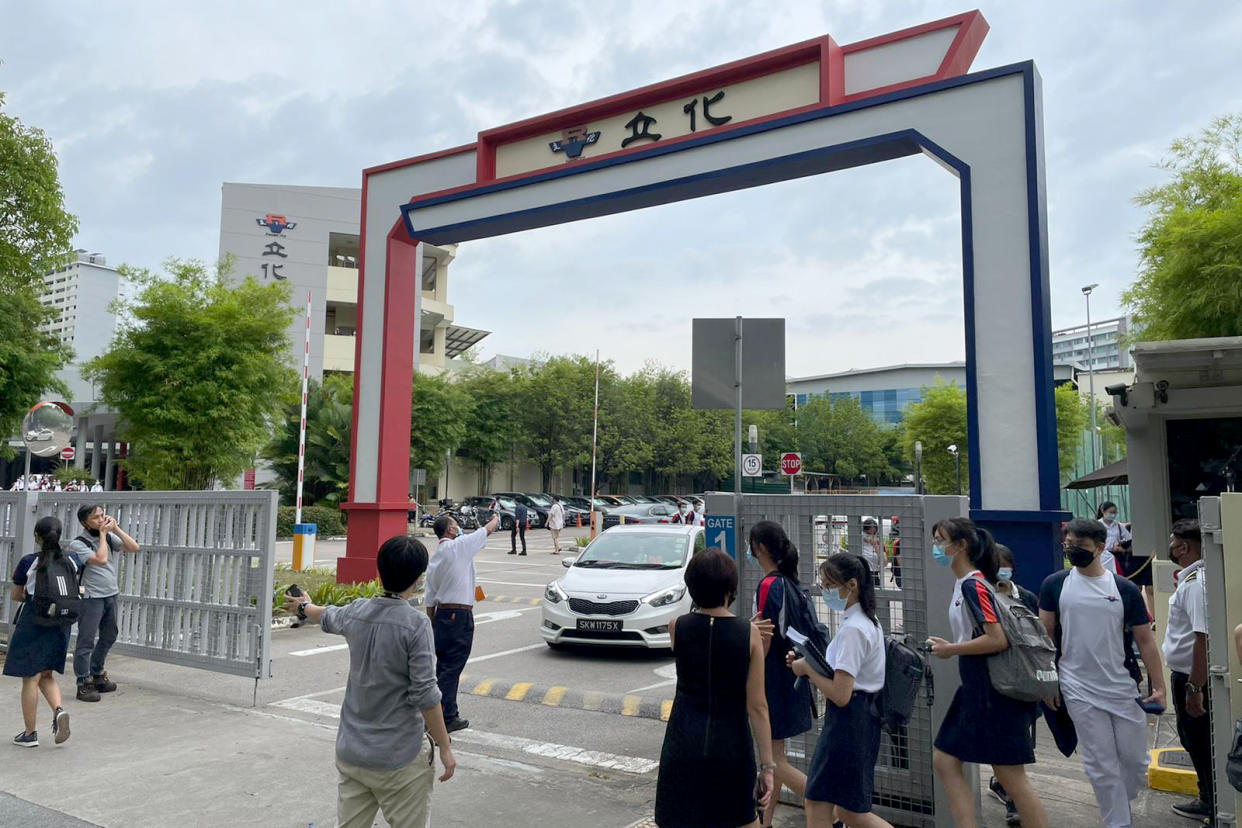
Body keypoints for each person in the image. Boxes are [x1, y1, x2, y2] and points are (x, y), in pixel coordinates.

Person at [285, 535, 455, 827]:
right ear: (418, 578)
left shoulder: (357, 612)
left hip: (352, 751)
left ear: (380, 572)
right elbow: (426, 693)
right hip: (399, 758)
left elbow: (324, 615)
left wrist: (302, 607)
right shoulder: (416, 625)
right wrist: (445, 746)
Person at [1039, 517, 1166, 828]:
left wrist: (1159, 686)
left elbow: (1145, 640)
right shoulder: (1055, 584)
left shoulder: (1123, 589)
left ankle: (1121, 802)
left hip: (1122, 686)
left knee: (1135, 763)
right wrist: (1048, 682)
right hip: (1076, 686)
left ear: (1099, 547)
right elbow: (1045, 637)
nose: (1071, 550)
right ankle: (1118, 822)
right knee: (1101, 764)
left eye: (1079, 546)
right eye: (1068, 545)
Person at [926, 517, 1047, 828]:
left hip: (991, 689)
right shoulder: (969, 582)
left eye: (941, 540)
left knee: (1010, 775)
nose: (936, 547)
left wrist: (951, 649)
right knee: (946, 759)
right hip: (978, 687)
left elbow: (996, 639)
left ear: (961, 545)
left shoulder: (972, 585)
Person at [654, 547, 775, 828]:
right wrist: (767, 767)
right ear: (730, 588)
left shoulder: (677, 627)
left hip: (683, 743)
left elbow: (709, 635)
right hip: (731, 746)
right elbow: (758, 706)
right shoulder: (750, 634)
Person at [788, 553, 892, 828]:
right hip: (861, 719)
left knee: (819, 800)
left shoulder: (853, 629)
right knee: (846, 810)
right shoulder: (866, 621)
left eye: (829, 585)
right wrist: (807, 663)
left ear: (852, 584)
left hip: (848, 722)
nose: (825, 592)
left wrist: (808, 670)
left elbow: (841, 694)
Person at [748, 520, 813, 828]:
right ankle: (765, 823)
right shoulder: (791, 583)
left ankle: (834, 811)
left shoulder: (769, 585)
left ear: (759, 548)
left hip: (772, 679)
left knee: (775, 763)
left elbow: (763, 638)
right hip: (793, 676)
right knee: (775, 755)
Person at [5, 515, 82, 748]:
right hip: (61, 621)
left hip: (34, 620)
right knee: (46, 673)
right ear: (59, 536)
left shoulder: (28, 561)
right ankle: (59, 711)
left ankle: (30, 734)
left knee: (30, 677)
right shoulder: (73, 559)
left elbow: (17, 595)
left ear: (37, 537)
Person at [425, 511, 500, 733]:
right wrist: (496, 516)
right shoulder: (459, 547)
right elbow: (486, 530)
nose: (459, 527)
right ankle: (447, 716)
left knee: (442, 666)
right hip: (459, 616)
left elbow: (430, 594)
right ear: (449, 529)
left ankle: (433, 714)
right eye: (456, 524)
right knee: (452, 667)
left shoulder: (438, 555)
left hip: (441, 615)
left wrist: (432, 622)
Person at [1162, 519, 1212, 821]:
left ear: (1183, 546)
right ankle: (1208, 795)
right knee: (1193, 738)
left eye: (1172, 541)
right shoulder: (1194, 579)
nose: (1170, 547)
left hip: (1193, 678)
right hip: (1189, 675)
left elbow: (1201, 639)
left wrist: (1195, 688)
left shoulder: (1196, 585)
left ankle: (1210, 800)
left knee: (1198, 739)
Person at [987, 544, 1040, 825]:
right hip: (998, 681)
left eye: (1003, 565)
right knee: (1010, 746)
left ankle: (1006, 788)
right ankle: (1011, 798)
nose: (999, 571)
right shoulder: (983, 598)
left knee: (1017, 742)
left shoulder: (1027, 598)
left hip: (1026, 680)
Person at [66, 504, 140, 702]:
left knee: (109, 635)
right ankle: (83, 682)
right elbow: (100, 559)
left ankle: (97, 673)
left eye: (102, 515)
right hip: (91, 596)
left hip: (110, 594)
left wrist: (115, 529)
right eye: (95, 518)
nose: (100, 520)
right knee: (86, 640)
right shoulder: (78, 543)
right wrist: (102, 535)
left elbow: (134, 547)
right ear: (84, 522)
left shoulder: (108, 536)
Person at [1095, 502, 1130, 575]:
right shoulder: (1096, 525)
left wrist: (1122, 547)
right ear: (1103, 511)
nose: (1113, 515)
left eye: (1115, 512)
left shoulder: (1118, 525)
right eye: (1111, 512)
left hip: (1117, 556)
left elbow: (1129, 538)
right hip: (1102, 556)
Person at [859, 518, 886, 586]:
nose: (870, 536)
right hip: (861, 573)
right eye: (868, 533)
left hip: (874, 574)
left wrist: (875, 545)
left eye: (873, 533)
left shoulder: (879, 543)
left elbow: (885, 562)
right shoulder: (859, 542)